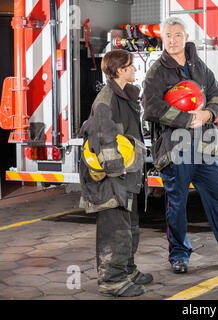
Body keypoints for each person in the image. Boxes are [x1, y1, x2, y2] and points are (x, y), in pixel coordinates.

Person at [142, 17, 218, 274]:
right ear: (163, 39)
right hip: (175, 147)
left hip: (206, 146)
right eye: (168, 36)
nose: (172, 40)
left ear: (186, 37)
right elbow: (151, 108)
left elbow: (216, 93)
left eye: (177, 35)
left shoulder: (198, 66)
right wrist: (186, 118)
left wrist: (209, 114)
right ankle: (179, 254)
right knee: (177, 203)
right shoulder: (157, 71)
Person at [78, 49, 153, 297]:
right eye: (131, 66)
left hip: (126, 178)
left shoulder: (125, 97)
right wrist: (117, 172)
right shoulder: (106, 100)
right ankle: (112, 280)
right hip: (112, 181)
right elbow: (103, 140)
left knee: (129, 227)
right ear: (120, 70)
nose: (134, 69)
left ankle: (127, 270)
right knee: (115, 230)